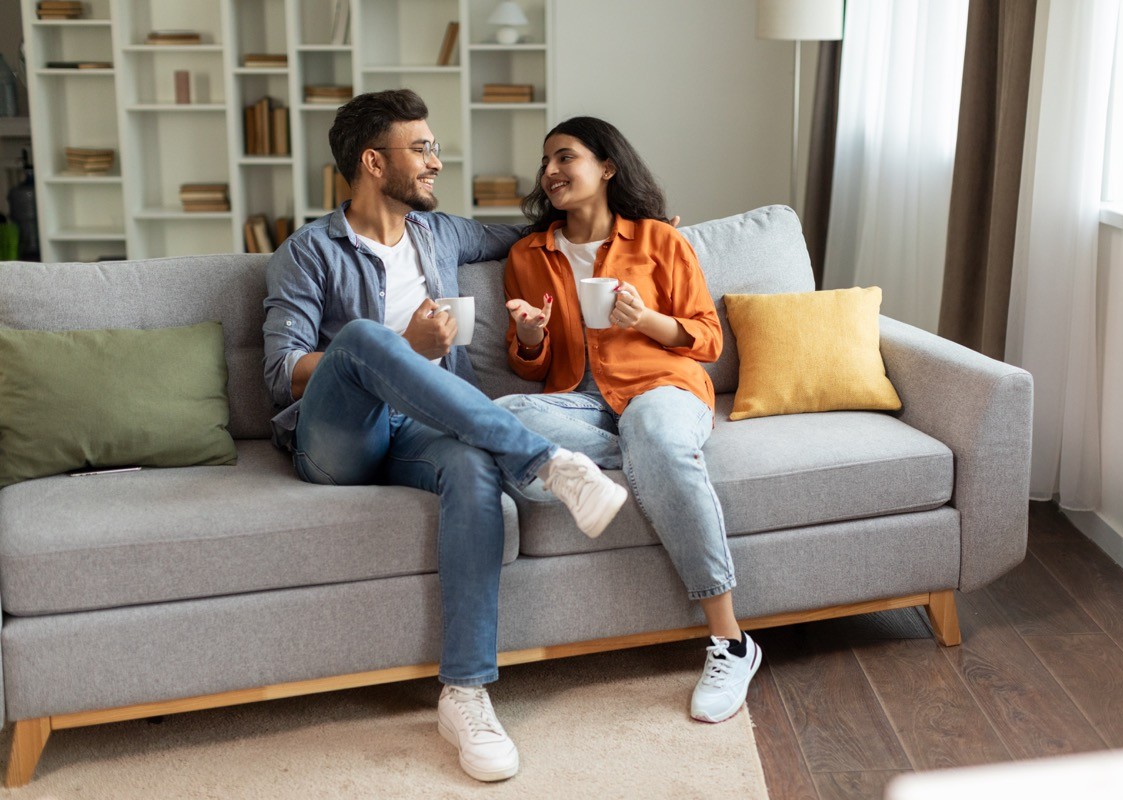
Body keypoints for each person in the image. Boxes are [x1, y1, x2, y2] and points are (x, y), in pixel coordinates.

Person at [261, 90, 629, 783]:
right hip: (339, 441)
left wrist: (632, 218)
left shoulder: (441, 235)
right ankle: (549, 463)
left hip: (425, 431)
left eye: (434, 146)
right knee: (368, 341)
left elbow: (529, 232)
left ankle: (464, 692)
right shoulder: (307, 253)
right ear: (373, 162)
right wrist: (403, 343)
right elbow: (282, 375)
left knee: (470, 466)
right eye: (421, 148)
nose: (437, 161)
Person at [496, 117, 762, 724]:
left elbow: (707, 339)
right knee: (497, 416)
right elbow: (530, 368)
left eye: (565, 157)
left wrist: (644, 320)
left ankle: (730, 641)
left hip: (661, 386)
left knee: (654, 430)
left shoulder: (659, 241)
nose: (551, 172)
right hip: (581, 401)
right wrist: (530, 337)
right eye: (546, 163)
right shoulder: (527, 255)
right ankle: (645, 453)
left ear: (607, 167)